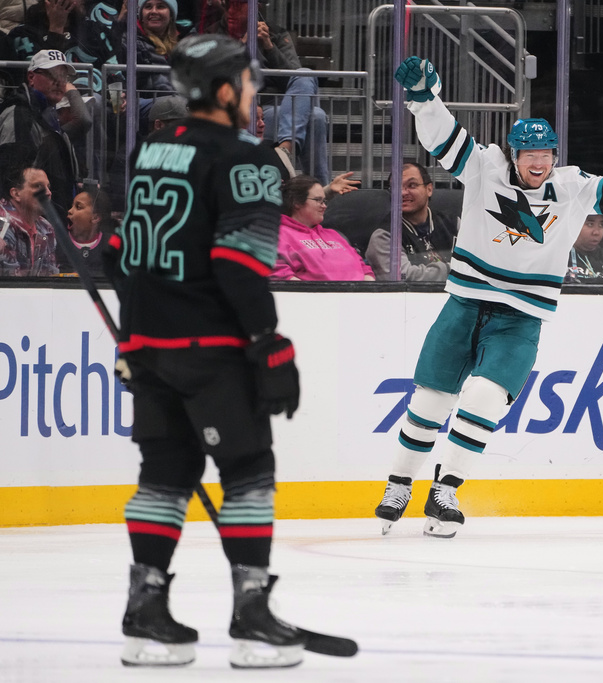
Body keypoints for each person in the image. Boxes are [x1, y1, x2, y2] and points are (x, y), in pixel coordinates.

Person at [372, 55, 603, 538]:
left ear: (554, 154)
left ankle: (445, 489)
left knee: (486, 397)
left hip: (520, 317)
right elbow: (442, 138)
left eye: (545, 153)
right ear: (512, 153)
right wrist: (425, 98)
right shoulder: (485, 167)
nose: (538, 162)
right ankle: (398, 484)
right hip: (466, 301)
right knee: (430, 400)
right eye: (529, 154)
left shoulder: (570, 187)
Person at [102, 33, 305, 668]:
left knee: (162, 476)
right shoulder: (247, 160)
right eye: (246, 81)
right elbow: (239, 265)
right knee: (248, 471)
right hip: (210, 349)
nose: (253, 92)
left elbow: (119, 255)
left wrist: (135, 335)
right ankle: (251, 616)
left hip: (149, 347)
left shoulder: (151, 149)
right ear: (222, 90)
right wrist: (269, 345)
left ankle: (145, 611)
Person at [200, 0, 330, 184]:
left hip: (278, 106)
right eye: (228, 5)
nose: (230, 11)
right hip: (239, 110)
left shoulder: (274, 32)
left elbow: (294, 79)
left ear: (255, 7)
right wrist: (243, 48)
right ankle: (320, 189)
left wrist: (269, 47)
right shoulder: (212, 33)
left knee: (305, 75)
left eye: (238, 6)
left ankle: (290, 154)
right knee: (315, 116)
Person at [0, 49, 80, 217]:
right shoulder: (19, 113)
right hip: (31, 221)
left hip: (50, 218)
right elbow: (11, 177)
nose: (59, 82)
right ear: (31, 77)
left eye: (63, 76)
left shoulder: (49, 115)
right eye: (52, 75)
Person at [365, 162, 458, 282]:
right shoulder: (384, 236)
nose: (403, 192)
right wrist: (454, 270)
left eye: (412, 185)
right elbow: (403, 278)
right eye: (396, 187)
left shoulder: (454, 224)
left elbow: (478, 260)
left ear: (429, 189)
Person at [270, 174, 374, 282]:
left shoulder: (334, 235)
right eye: (318, 200)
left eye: (324, 201)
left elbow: (365, 269)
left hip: (360, 296)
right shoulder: (278, 235)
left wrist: (367, 291)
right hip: (314, 297)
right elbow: (281, 275)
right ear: (297, 202)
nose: (324, 206)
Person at [116, 0, 194, 96]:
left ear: (171, 14)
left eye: (160, 6)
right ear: (141, 15)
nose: (154, 11)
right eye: (148, 7)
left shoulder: (187, 40)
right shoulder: (129, 41)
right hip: (145, 103)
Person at [0, 156, 59, 276]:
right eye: (38, 186)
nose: (48, 192)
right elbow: (11, 284)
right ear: (16, 193)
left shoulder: (46, 228)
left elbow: (51, 278)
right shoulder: (2, 226)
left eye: (48, 187)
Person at [59, 184, 111, 275]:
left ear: (95, 217)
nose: (70, 211)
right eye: (72, 206)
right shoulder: (58, 243)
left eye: (78, 207)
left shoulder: (110, 245)